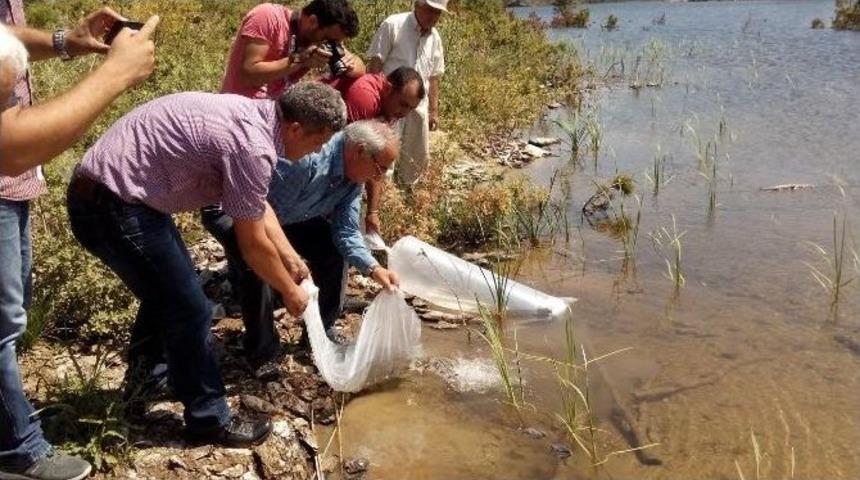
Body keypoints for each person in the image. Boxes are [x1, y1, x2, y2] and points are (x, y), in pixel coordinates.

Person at [65, 82, 347, 449]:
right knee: (191, 310)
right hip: (112, 203)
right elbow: (252, 246)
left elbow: (256, 204)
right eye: (319, 140)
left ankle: (147, 378)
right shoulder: (254, 145)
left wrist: (290, 255)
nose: (320, 149)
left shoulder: (257, 118)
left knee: (168, 291)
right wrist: (289, 291)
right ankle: (208, 420)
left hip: (127, 196)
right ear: (295, 128)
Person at [0, 3, 157, 478]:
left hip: (11, 184)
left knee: (12, 312)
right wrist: (113, 76)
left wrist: (65, 41)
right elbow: (9, 144)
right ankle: (15, 450)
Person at [201, 120, 400, 372]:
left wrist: (373, 269)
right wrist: (283, 265)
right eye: (380, 168)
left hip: (285, 214)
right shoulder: (309, 159)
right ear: (359, 150)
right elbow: (259, 208)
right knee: (259, 264)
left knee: (331, 249)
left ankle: (319, 332)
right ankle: (261, 351)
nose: (379, 177)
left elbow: (346, 232)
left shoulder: (353, 178)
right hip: (234, 207)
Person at [325, 66, 424, 233]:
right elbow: (355, 156)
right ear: (388, 88)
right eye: (403, 104)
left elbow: (378, 161)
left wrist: (373, 212)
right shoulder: (365, 98)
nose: (404, 113)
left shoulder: (391, 108)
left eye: (410, 109)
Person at [367, 0, 447, 187]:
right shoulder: (393, 25)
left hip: (418, 107)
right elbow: (375, 64)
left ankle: (407, 191)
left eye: (438, 13)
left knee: (416, 156)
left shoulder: (435, 38)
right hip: (391, 104)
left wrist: (433, 111)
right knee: (384, 151)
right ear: (418, 5)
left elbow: (434, 77)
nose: (433, 16)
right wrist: (372, 99)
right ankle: (382, 195)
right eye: (430, 10)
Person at [221, 0, 364, 100]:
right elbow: (248, 75)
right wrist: (300, 60)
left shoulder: (319, 40)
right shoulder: (268, 17)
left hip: (274, 114)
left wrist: (347, 63)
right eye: (328, 38)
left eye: (335, 42)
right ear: (313, 21)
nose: (327, 44)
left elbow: (361, 69)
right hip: (239, 107)